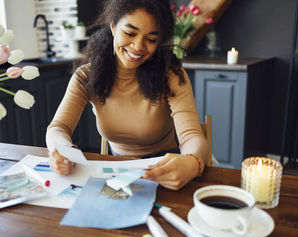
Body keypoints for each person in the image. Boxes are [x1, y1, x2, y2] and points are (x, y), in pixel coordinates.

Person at [46, 0, 209, 190]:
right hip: (117, 169)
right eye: (130, 33)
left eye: (151, 39)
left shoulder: (170, 76)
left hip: (167, 165)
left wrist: (191, 162)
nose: (138, 47)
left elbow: (192, 137)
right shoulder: (86, 77)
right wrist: (62, 150)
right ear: (113, 26)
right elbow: (58, 127)